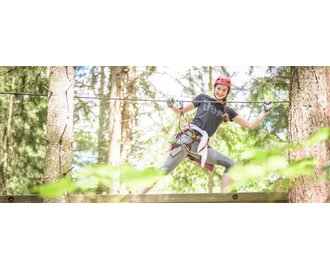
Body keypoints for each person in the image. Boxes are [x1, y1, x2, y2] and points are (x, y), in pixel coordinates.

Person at [144, 76, 271, 193]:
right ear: (215, 88)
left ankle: (224, 199)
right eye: (219, 88)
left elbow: (250, 125)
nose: (220, 92)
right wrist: (171, 105)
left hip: (201, 148)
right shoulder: (203, 98)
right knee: (164, 170)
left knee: (230, 164)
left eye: (224, 90)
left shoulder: (227, 111)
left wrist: (264, 112)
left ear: (227, 93)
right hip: (186, 140)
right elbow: (179, 111)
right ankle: (137, 196)